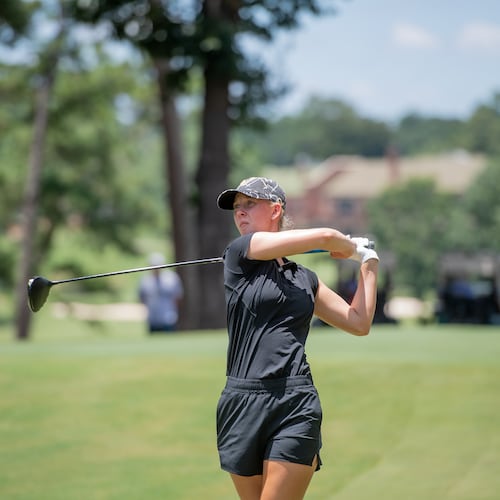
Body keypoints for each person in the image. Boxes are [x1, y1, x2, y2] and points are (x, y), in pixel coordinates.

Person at [215, 177, 379, 500]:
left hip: (295, 402)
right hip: (240, 402)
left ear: (275, 209)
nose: (240, 214)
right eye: (237, 208)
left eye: (249, 204)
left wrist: (367, 261)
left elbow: (358, 322)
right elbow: (326, 237)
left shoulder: (305, 280)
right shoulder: (239, 254)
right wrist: (347, 246)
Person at [138, 252, 183, 333]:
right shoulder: (145, 280)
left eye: (158, 266)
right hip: (152, 318)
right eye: (153, 266)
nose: (156, 268)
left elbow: (177, 297)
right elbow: (142, 298)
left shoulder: (171, 278)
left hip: (168, 317)